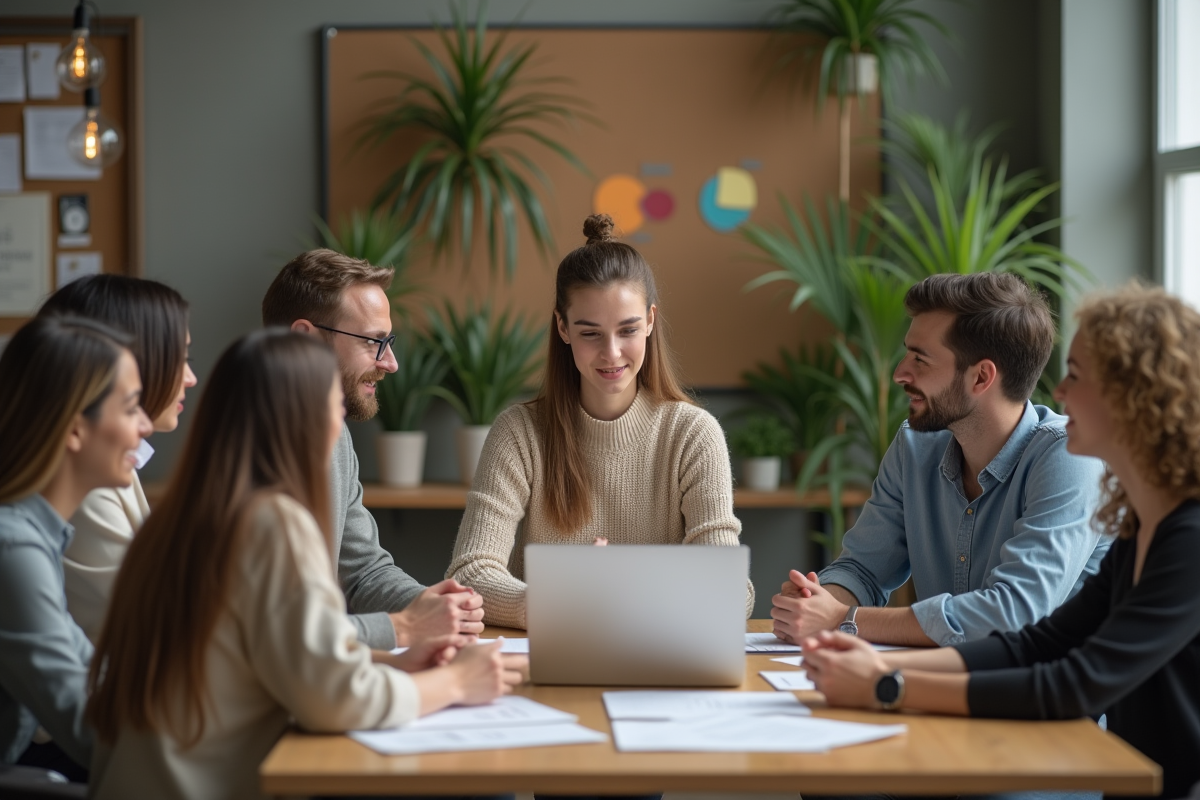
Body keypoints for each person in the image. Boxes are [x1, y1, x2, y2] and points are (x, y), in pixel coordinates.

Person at [86, 330, 526, 800]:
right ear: (305, 421)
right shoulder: (273, 523)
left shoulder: (179, 520)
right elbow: (332, 700)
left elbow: (276, 660)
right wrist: (457, 681)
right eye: (335, 409)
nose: (340, 430)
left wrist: (396, 667)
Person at [800, 283, 1200, 800]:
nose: (1059, 393)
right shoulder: (1143, 530)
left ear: (1133, 397)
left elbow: (1074, 683)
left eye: (1076, 377)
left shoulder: (1188, 543)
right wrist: (877, 666)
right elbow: (1038, 644)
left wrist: (886, 684)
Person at [447, 213, 753, 629]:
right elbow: (469, 574)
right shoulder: (519, 433)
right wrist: (560, 602)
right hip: (549, 653)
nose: (611, 354)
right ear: (563, 327)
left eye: (627, 330)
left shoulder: (693, 434)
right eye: (590, 333)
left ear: (649, 321)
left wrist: (625, 588)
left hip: (659, 658)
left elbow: (730, 590)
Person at [772, 272, 1109, 647]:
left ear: (981, 377)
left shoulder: (1072, 457)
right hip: (943, 688)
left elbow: (1013, 613)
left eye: (920, 358)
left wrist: (843, 618)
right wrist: (817, 601)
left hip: (1041, 701)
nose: (900, 373)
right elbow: (863, 568)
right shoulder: (914, 446)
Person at [263, 250, 484, 650]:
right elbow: (280, 631)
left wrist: (429, 605)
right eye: (373, 342)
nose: (391, 363)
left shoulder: (332, 435)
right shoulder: (248, 447)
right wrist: (406, 627)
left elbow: (362, 571)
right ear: (303, 338)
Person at [0, 316, 153, 781]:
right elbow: (89, 730)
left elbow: (97, 683)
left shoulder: (36, 534)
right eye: (130, 409)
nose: (145, 425)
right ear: (73, 430)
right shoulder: (14, 549)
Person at [38, 274, 197, 642]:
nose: (190, 377)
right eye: (180, 357)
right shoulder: (82, 481)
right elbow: (156, 630)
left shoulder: (108, 461)